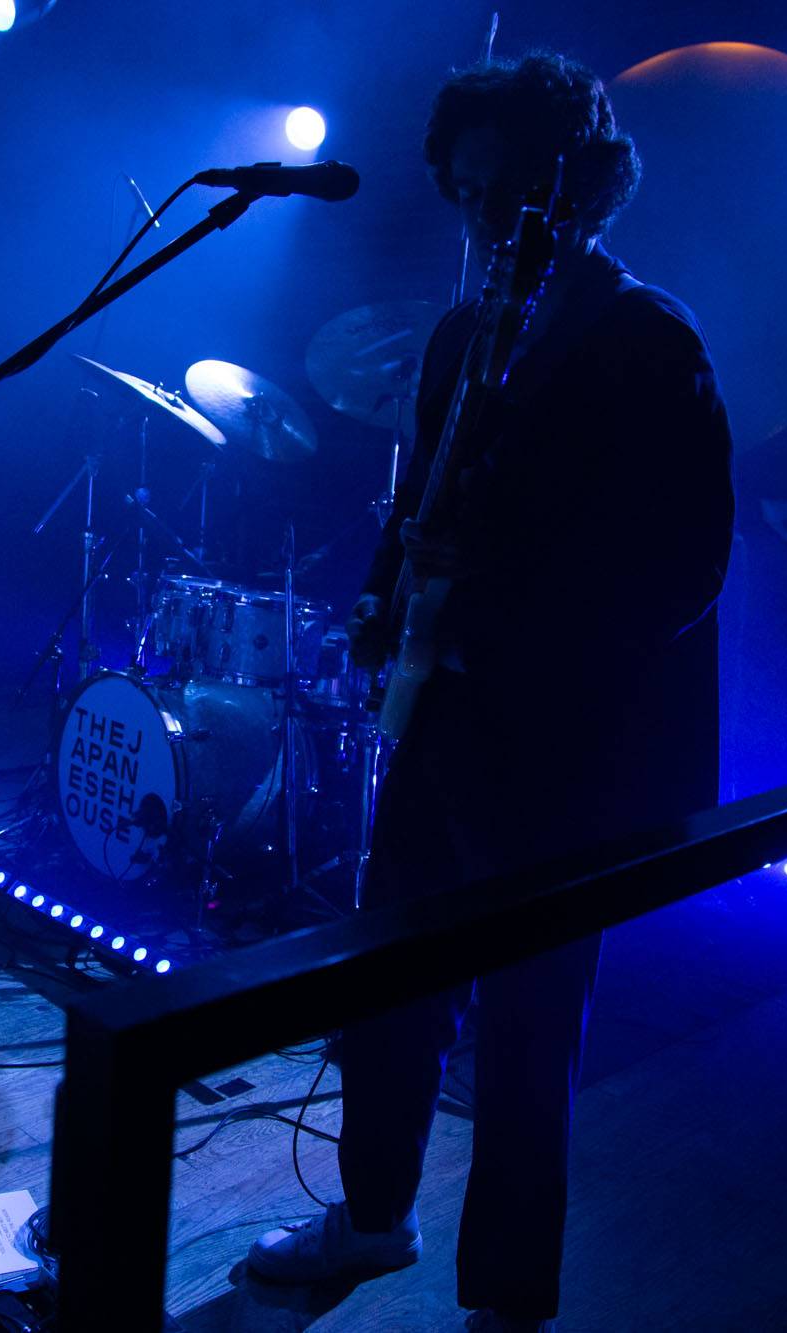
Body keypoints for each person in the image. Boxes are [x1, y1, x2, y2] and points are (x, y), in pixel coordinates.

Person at [247, 52, 736, 1333]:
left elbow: (682, 569)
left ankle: (507, 1304)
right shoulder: (463, 330)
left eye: (504, 187)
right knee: (386, 985)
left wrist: (494, 621)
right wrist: (380, 599)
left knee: (527, 1037)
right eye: (462, 190)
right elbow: (418, 504)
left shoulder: (643, 334)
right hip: (446, 729)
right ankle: (370, 1216)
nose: (481, 216)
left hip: (563, 753)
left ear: (575, 185)